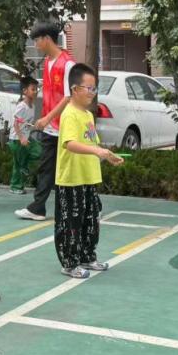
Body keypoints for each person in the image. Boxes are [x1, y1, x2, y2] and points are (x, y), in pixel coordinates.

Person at [54, 63, 122, 278]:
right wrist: (97, 151)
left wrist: (107, 155)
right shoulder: (70, 114)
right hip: (71, 179)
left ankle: (87, 256)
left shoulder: (87, 115)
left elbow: (92, 144)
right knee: (71, 223)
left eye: (95, 88)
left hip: (89, 177)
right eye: (89, 88)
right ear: (75, 89)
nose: (93, 93)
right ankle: (69, 263)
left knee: (91, 220)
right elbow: (70, 143)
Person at [15, 22, 74, 222]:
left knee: (72, 170)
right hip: (50, 128)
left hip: (66, 128)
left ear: (47, 39)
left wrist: (48, 118)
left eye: (37, 40)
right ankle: (38, 208)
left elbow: (68, 97)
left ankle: (92, 206)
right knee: (46, 168)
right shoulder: (48, 62)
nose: (36, 45)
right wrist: (45, 119)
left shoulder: (68, 64)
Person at [8, 75, 40, 195]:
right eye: (33, 89)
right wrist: (21, 138)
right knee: (18, 165)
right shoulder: (22, 106)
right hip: (17, 139)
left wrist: (34, 127)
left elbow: (25, 123)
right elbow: (16, 123)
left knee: (39, 152)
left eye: (36, 89)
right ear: (25, 91)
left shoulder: (33, 106)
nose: (35, 91)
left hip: (25, 138)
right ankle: (15, 187)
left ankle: (24, 166)